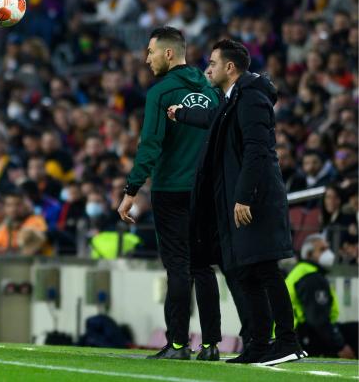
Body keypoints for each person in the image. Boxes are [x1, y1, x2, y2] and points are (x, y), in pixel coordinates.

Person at [168, 39, 305, 365]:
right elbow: (214, 120)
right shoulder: (235, 99)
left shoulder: (252, 98)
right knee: (247, 273)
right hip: (238, 200)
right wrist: (183, 114)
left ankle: (287, 342)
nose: (208, 69)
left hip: (254, 201)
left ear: (230, 67)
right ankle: (259, 344)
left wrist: (244, 196)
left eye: (212, 63)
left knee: (265, 269)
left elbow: (259, 151)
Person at [117, 27, 222, 360]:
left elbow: (150, 144)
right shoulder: (212, 90)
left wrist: (132, 189)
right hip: (205, 191)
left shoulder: (160, 93)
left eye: (149, 52)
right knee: (204, 267)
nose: (145, 59)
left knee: (178, 268)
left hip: (171, 190)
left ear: (168, 53)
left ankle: (177, 344)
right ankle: (211, 345)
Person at [286, 234, 357, 359]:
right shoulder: (311, 277)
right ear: (309, 254)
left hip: (293, 333)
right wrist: (340, 346)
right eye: (322, 250)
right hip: (300, 336)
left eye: (328, 249)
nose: (328, 253)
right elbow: (318, 319)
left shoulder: (303, 271)